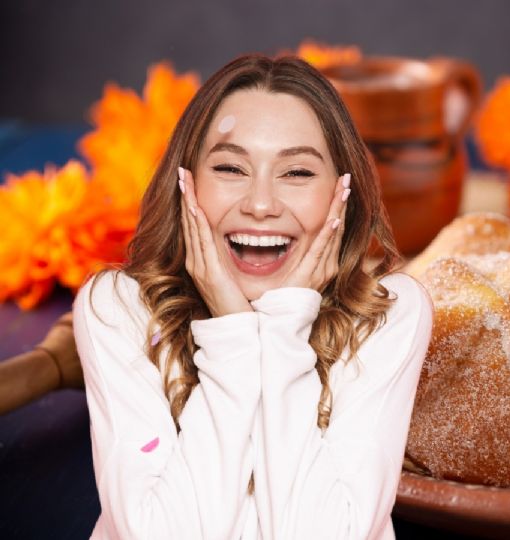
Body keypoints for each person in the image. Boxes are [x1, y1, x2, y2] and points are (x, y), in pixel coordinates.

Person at [72, 54, 433, 539]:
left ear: (342, 193)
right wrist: (232, 334)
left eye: (297, 173)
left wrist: (284, 327)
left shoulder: (388, 316)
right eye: (230, 168)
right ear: (185, 184)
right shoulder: (119, 310)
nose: (261, 205)